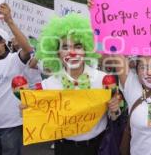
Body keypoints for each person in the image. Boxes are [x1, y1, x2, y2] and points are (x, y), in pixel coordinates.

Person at [35, 13, 121, 155]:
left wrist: (115, 109)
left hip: (97, 147)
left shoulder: (103, 80)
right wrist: (27, 111)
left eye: (78, 46)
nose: (72, 52)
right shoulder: (47, 86)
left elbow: (114, 116)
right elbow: (41, 120)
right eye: (65, 47)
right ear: (57, 53)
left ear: (86, 50)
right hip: (64, 148)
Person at [0, 3, 32, 155]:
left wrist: (9, 21)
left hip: (11, 125)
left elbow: (27, 49)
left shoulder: (14, 60)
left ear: (2, 42)